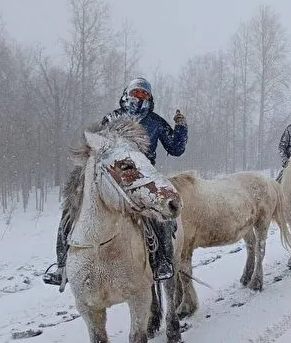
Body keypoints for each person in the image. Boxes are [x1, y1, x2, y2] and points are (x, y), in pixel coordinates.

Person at [43, 77, 188, 291]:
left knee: (161, 215)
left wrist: (181, 127)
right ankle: (62, 266)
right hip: (113, 176)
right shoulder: (112, 118)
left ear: (149, 98)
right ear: (126, 95)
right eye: (135, 93)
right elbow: (97, 147)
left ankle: (162, 262)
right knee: (70, 210)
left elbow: (176, 148)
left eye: (144, 94)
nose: (139, 98)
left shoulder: (156, 122)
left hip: (143, 178)